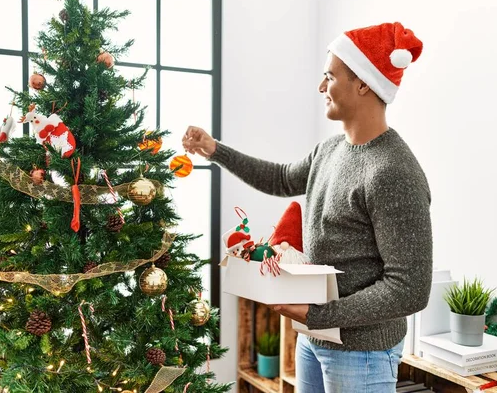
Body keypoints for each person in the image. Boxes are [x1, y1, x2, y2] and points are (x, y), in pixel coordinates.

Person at [183, 22, 433, 393]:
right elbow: (281, 178)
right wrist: (215, 151)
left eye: (329, 76)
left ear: (363, 83)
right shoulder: (329, 151)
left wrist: (319, 315)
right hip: (314, 339)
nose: (321, 87)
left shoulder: (393, 172)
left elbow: (410, 288)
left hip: (361, 352)